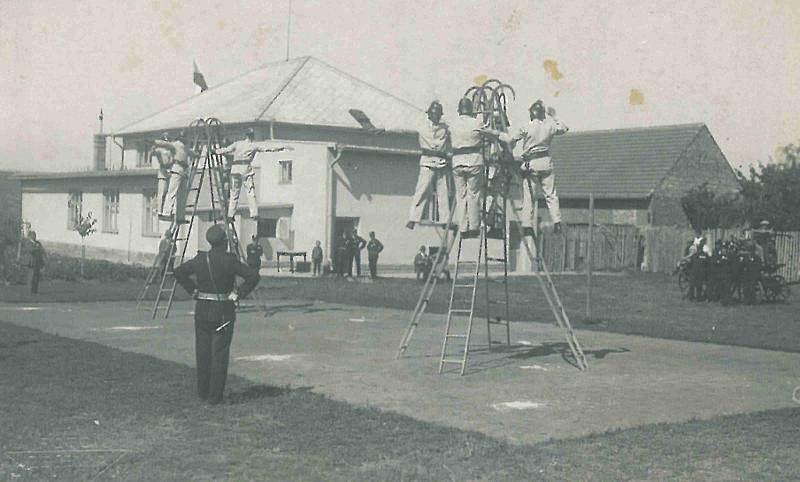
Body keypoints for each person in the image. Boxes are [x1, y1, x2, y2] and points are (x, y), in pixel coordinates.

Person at [173, 225, 260, 405]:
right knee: (219, 354)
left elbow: (179, 272)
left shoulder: (200, 259)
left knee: (203, 353)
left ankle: (202, 392)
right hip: (223, 312)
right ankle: (215, 397)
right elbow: (253, 276)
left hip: (202, 310)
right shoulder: (230, 260)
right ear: (224, 242)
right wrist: (239, 293)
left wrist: (193, 290)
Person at [482, 100, 568, 234]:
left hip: (532, 163)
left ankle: (527, 225)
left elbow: (510, 139)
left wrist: (496, 133)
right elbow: (564, 128)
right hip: (546, 162)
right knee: (551, 194)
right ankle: (557, 221)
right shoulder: (549, 126)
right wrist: (554, 116)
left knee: (529, 195)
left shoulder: (527, 127)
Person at [214, 127, 293, 220]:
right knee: (250, 191)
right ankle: (254, 213)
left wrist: (215, 151)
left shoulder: (237, 144)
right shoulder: (253, 146)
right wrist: (282, 147)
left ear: (245, 135)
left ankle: (230, 215)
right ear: (252, 136)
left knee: (234, 193)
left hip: (235, 170)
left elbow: (225, 150)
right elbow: (268, 148)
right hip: (245, 169)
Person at [408, 101, 452, 229]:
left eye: (438, 114)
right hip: (427, 161)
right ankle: (413, 218)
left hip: (441, 162)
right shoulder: (421, 126)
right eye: (434, 114)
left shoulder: (445, 128)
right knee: (421, 191)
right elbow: (403, 128)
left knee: (443, 192)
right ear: (429, 114)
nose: (436, 117)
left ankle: (445, 220)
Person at [449, 97, 486, 237]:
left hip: (457, 161)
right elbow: (487, 133)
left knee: (460, 195)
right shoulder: (477, 122)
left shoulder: (453, 123)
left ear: (459, 110)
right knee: (474, 194)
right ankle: (474, 226)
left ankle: (463, 227)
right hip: (474, 161)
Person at [154, 131, 192, 223]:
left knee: (182, 195)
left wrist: (198, 154)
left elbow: (191, 153)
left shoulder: (184, 147)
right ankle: (166, 213)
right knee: (172, 192)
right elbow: (165, 144)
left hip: (183, 170)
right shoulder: (176, 144)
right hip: (177, 168)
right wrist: (155, 142)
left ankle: (180, 217)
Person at [151, 135, 174, 213]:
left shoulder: (171, 151)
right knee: (161, 193)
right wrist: (153, 148)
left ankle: (167, 210)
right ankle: (159, 210)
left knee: (169, 193)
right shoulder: (160, 150)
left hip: (170, 172)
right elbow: (154, 153)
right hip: (163, 173)